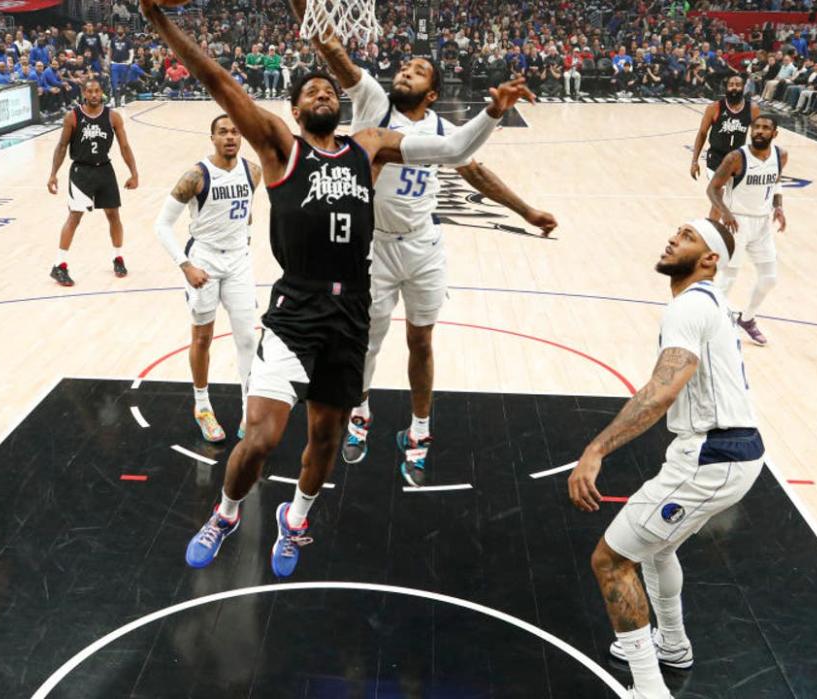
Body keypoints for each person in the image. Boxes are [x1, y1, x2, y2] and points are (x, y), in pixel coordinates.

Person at [140, 0, 524, 577]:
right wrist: (158, 19)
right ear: (293, 110)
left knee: (324, 439)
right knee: (261, 439)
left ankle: (295, 520)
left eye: (328, 89)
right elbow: (215, 78)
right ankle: (225, 512)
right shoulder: (278, 147)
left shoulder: (368, 145)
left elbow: (453, 152)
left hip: (351, 309)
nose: (322, 93)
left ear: (337, 105)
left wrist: (491, 114)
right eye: (310, 91)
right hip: (297, 307)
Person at [298, 2, 557, 485]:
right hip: (372, 246)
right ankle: (361, 412)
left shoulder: (440, 130)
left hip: (422, 246)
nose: (406, 70)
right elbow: (330, 45)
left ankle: (419, 431)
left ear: (432, 93)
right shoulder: (374, 103)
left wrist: (527, 211)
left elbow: (474, 169)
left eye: (417, 71)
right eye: (405, 65)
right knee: (367, 340)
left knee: (421, 340)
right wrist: (309, 7)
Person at [568, 218, 762, 699]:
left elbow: (660, 391)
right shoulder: (710, 303)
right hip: (724, 453)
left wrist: (595, 449)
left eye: (688, 237)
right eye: (677, 231)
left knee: (611, 560)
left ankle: (651, 690)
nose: (674, 238)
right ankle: (672, 647)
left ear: (710, 259)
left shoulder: (690, 307)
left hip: (713, 457)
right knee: (657, 548)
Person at [153, 114, 260, 443]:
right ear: (212, 137)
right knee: (202, 338)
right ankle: (202, 407)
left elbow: (246, 214)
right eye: (223, 132)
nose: (230, 137)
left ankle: (248, 408)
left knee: (246, 338)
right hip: (203, 261)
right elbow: (161, 225)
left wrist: (241, 239)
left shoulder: (252, 172)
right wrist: (186, 265)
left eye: (235, 130)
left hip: (238, 261)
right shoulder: (196, 176)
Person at [46, 79, 139, 284]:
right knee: (74, 217)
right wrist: (53, 173)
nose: (94, 94)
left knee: (113, 214)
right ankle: (59, 265)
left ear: (102, 93)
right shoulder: (73, 116)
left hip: (105, 169)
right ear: (84, 93)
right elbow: (62, 146)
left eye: (97, 91)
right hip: (81, 171)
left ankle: (118, 257)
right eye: (90, 91)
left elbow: (124, 146)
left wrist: (134, 173)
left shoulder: (113, 116)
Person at [707, 115, 788, 346]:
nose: (759, 131)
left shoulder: (781, 155)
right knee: (728, 278)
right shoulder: (736, 158)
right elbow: (712, 189)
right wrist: (725, 212)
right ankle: (712, 325)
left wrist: (779, 206)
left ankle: (748, 319)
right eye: (756, 127)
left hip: (762, 224)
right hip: (737, 223)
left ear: (775, 133)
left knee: (770, 278)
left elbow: (776, 182)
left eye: (765, 128)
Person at [690, 75, 760, 219]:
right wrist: (695, 161)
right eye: (731, 85)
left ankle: (725, 232)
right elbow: (702, 133)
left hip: (737, 159)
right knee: (719, 196)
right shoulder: (714, 107)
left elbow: (757, 136)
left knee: (733, 202)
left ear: (743, 87)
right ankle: (712, 233)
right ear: (726, 87)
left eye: (738, 85)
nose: (734, 88)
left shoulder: (752, 109)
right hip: (716, 158)